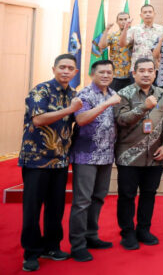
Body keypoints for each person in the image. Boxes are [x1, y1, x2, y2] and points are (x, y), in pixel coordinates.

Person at [18, 54, 82, 272]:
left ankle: (52, 246)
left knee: (55, 208)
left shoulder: (73, 94)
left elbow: (79, 121)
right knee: (32, 209)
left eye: (70, 68)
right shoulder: (41, 90)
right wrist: (69, 110)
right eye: (62, 67)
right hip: (37, 160)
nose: (65, 71)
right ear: (53, 68)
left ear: (75, 72)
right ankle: (31, 252)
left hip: (60, 161)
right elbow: (38, 119)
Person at [114, 58, 163, 250]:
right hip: (129, 155)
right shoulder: (123, 93)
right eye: (142, 71)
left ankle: (144, 230)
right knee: (127, 196)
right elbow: (121, 120)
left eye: (150, 70)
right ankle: (127, 232)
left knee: (149, 194)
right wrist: (143, 107)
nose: (146, 74)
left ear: (155, 73)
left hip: (154, 155)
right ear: (134, 72)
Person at [69, 60, 121, 262]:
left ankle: (91, 236)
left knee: (99, 197)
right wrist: (107, 104)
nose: (106, 75)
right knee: (82, 201)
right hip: (86, 156)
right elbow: (81, 120)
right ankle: (78, 244)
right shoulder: (84, 94)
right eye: (102, 72)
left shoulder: (112, 94)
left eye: (109, 72)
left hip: (106, 155)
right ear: (93, 74)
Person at [120, 5, 163, 69]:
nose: (147, 14)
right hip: (137, 69)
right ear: (141, 15)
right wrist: (125, 28)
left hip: (156, 68)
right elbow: (122, 44)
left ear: (154, 14)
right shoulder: (134, 29)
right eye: (145, 12)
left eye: (150, 12)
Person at [97, 12, 132, 91]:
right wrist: (107, 29)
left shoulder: (134, 34)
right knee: (113, 100)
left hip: (131, 75)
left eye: (126, 19)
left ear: (129, 21)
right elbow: (101, 46)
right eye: (121, 19)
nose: (123, 21)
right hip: (115, 75)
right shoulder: (113, 35)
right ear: (117, 22)